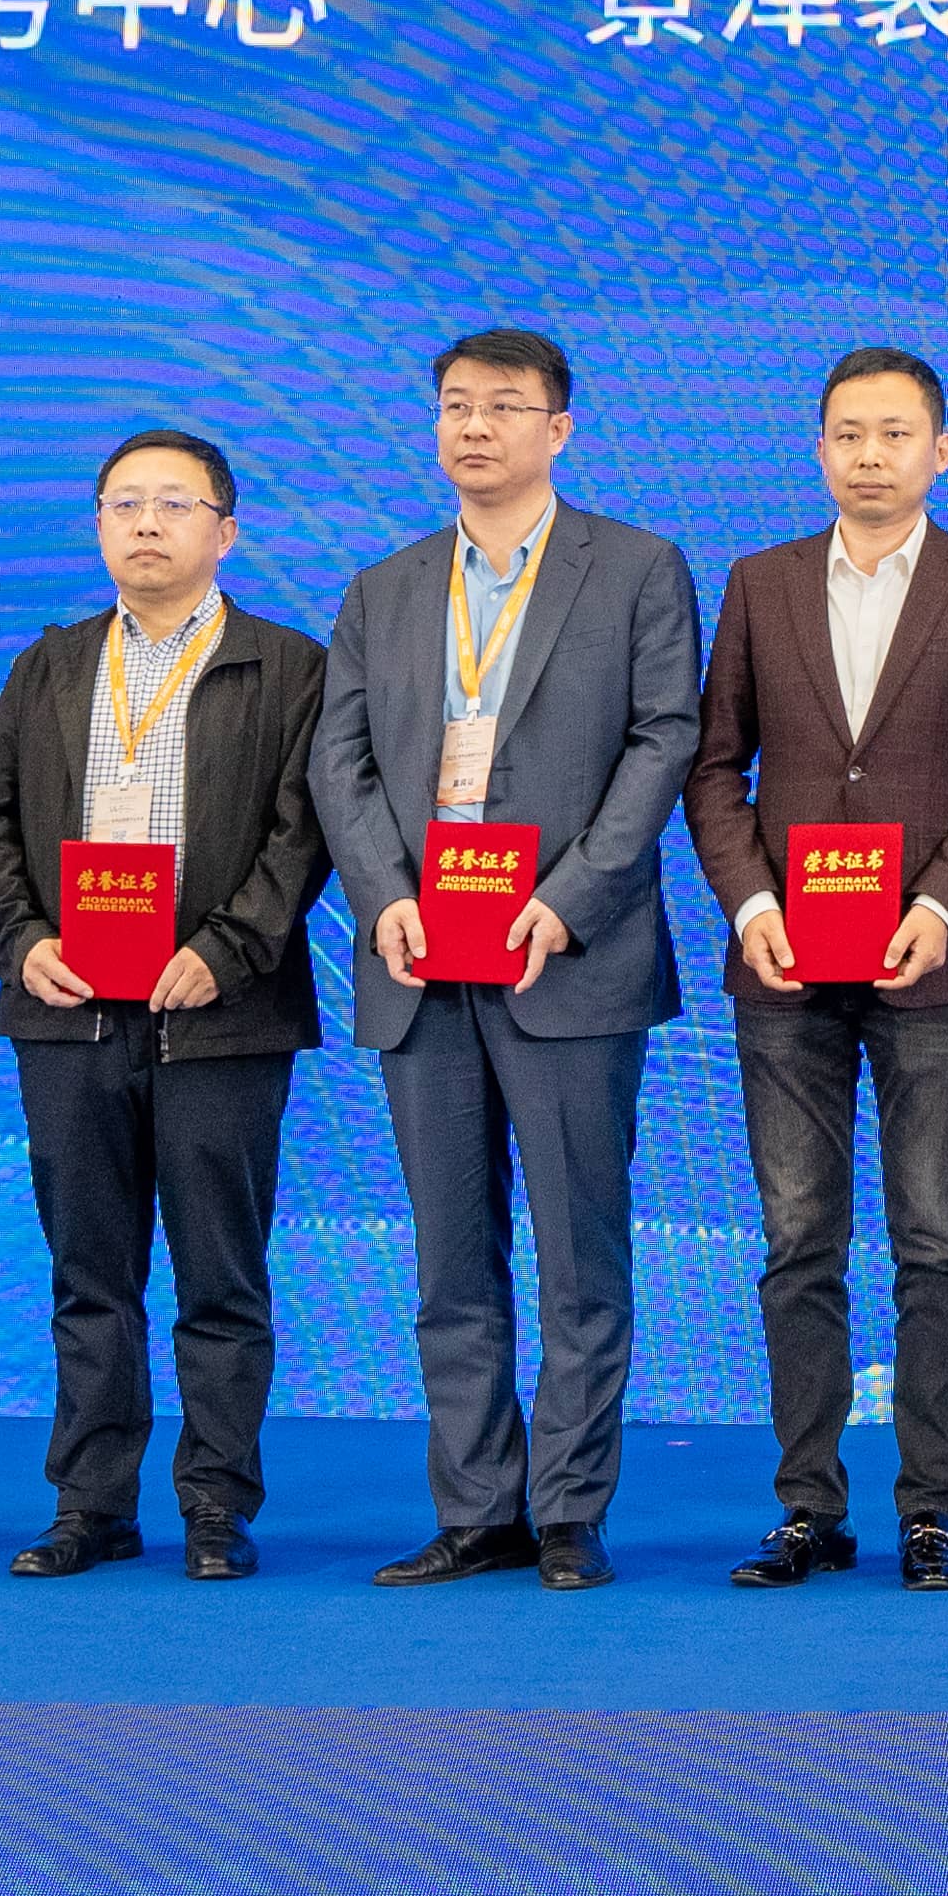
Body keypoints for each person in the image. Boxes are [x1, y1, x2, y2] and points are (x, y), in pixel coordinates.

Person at [308, 327, 700, 1592]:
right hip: (421, 956)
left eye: (502, 406)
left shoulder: (635, 567)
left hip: (562, 956)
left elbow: (663, 740)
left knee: (580, 1252)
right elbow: (338, 760)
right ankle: (476, 1506)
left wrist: (569, 898)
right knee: (448, 1255)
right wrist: (384, 897)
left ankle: (570, 1506)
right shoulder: (383, 586)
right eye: (454, 405)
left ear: (558, 428)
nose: (473, 426)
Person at [689, 347, 948, 1591]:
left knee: (934, 1236)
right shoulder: (760, 581)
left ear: (939, 451)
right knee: (798, 1237)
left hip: (926, 963)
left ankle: (930, 1508)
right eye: (848, 432)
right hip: (783, 964)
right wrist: (751, 903)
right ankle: (807, 1504)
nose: (869, 455)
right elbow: (713, 763)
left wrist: (940, 904)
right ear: (818, 447)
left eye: (895, 433)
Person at [0, 423, 330, 1583]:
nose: (146, 523)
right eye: (124, 503)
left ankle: (215, 1503)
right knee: (89, 1275)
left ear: (226, 530)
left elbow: (303, 833)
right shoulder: (51, 663)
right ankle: (90, 1504)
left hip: (220, 1014)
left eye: (173, 503)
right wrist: (22, 941)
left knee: (221, 1276)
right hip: (70, 1013)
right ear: (98, 526)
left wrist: (228, 948)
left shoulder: (288, 666)